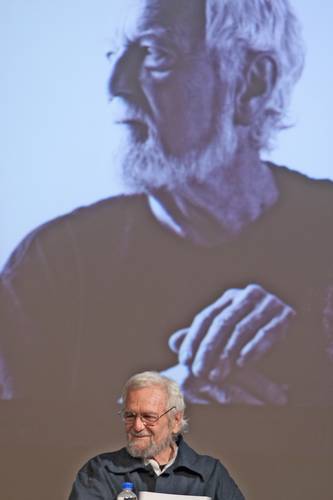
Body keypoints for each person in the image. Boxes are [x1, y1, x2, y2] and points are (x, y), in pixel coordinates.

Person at [1, 0, 333, 405]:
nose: (115, 85)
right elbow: (21, 458)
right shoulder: (52, 265)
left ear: (252, 84)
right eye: (116, 55)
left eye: (157, 54)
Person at [68, 371, 245, 499]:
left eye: (148, 417)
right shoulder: (100, 471)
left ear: (175, 421)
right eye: (130, 416)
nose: (137, 426)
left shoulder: (210, 474)